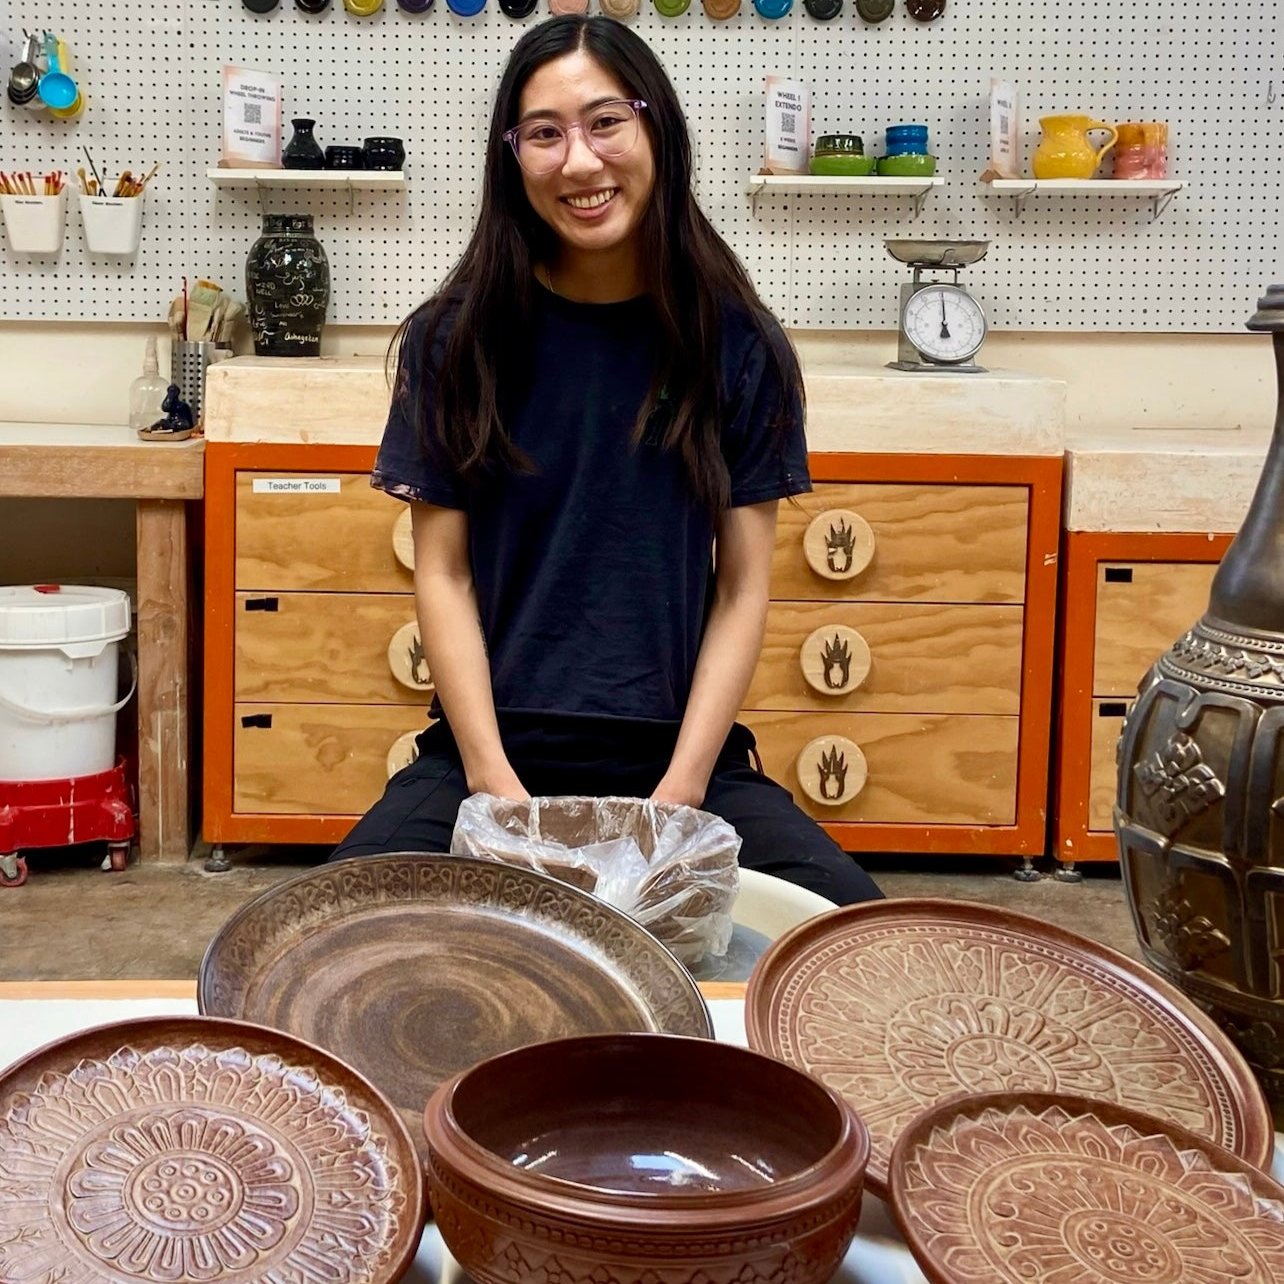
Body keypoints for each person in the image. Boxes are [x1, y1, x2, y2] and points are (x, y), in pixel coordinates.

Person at [331, 14, 881, 905]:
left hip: (679, 756)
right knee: (324, 934)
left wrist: (680, 801)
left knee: (859, 936)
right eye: (544, 134)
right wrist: (494, 788)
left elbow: (743, 588)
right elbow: (444, 575)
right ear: (513, 157)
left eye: (605, 121)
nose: (579, 162)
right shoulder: (455, 340)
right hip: (489, 756)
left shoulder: (738, 345)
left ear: (654, 125)